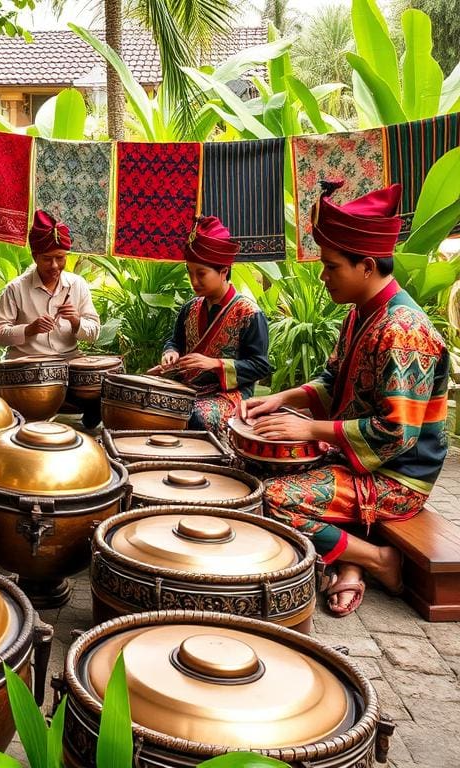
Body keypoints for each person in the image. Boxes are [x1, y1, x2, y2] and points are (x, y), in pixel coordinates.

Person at [242, 181, 450, 617]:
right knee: (247, 466)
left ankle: (377, 559)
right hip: (354, 460)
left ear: (367, 265)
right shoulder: (362, 312)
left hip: (396, 479)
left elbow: (396, 434)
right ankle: (351, 557)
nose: (323, 276)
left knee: (270, 498)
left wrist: (311, 429)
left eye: (331, 266)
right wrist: (282, 399)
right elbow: (332, 382)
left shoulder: (403, 332)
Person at [150, 216, 270, 436]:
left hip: (228, 394)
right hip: (189, 386)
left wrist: (215, 364)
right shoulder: (190, 308)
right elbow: (175, 340)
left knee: (195, 415)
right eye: (190, 272)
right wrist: (171, 352)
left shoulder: (249, 313)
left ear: (224, 271)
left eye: (201, 273)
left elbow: (260, 366)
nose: (194, 280)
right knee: (147, 398)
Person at [0, 210, 102, 426]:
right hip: (28, 368)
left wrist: (77, 321)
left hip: (68, 364)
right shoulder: (16, 288)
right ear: (34, 257)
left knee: (104, 385)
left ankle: (73, 402)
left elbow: (94, 332)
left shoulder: (77, 285)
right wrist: (29, 329)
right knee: (35, 394)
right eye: (47, 259)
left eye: (60, 258)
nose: (54, 266)